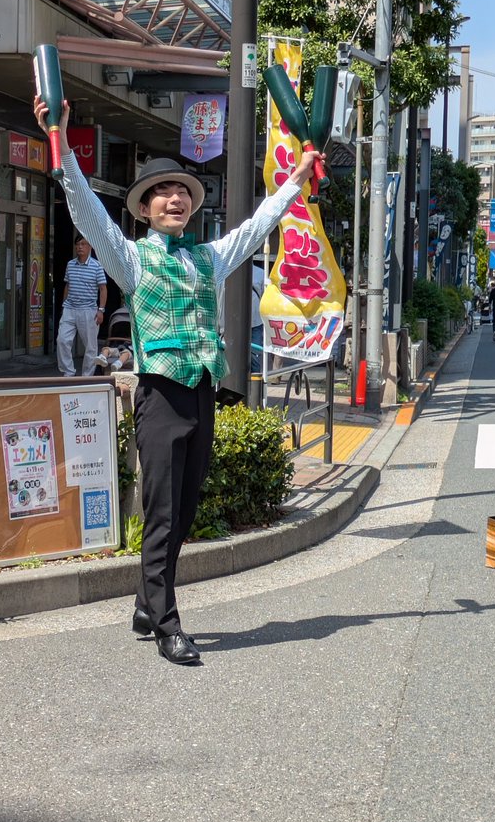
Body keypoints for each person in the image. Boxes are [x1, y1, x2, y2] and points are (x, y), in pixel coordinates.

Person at [35, 93, 321, 666]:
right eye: (163, 193)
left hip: (202, 392)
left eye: (183, 193)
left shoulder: (205, 259)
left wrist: (295, 182)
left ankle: (146, 602)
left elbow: (256, 226)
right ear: (144, 209)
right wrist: (60, 140)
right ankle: (166, 624)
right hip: (160, 394)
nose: (175, 199)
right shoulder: (131, 258)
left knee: (185, 509)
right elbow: (86, 207)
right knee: (163, 512)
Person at [57, 234, 108, 376]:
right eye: (78, 244)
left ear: (90, 247)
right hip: (70, 308)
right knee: (62, 340)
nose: (80, 247)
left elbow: (103, 288)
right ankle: (68, 373)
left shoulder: (96, 266)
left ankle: (87, 376)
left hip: (89, 310)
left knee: (90, 346)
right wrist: (63, 305)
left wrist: (101, 310)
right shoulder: (70, 264)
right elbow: (67, 285)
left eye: (83, 244)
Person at [95, 305, 133, 372]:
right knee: (106, 349)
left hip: (128, 350)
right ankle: (102, 357)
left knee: (126, 354)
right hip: (117, 347)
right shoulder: (119, 337)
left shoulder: (134, 340)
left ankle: (118, 363)